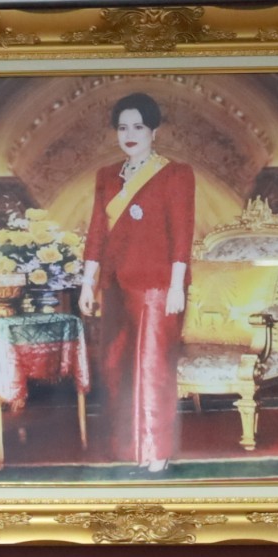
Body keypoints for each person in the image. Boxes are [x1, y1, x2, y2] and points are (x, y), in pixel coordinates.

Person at [77, 93, 196, 474]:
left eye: (138, 127)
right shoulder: (106, 176)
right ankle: (128, 448)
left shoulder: (175, 174)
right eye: (123, 127)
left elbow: (182, 233)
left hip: (157, 289)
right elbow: (97, 231)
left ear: (153, 131)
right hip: (115, 286)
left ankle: (156, 450)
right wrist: (87, 283)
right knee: (117, 368)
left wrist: (176, 286)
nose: (129, 134)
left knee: (152, 368)